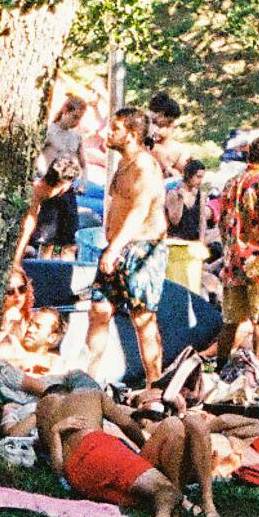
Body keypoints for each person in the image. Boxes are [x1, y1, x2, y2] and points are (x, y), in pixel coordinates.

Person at [35, 374, 215, 517]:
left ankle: (173, 505)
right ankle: (166, 514)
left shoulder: (44, 408)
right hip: (98, 447)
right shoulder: (90, 394)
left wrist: (56, 432)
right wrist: (147, 452)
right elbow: (128, 425)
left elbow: (54, 462)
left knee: (173, 425)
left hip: (80, 475)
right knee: (166, 486)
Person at [95, 108, 170, 381]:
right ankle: (89, 379)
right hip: (116, 246)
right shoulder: (122, 163)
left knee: (142, 318)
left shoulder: (145, 166)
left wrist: (115, 248)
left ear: (132, 134)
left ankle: (155, 383)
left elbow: (139, 211)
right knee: (99, 310)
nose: (108, 133)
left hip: (142, 249)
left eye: (115, 129)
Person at [216, 131, 259, 348]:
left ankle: (221, 365)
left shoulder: (231, 183)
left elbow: (221, 220)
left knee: (231, 321)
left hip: (232, 259)